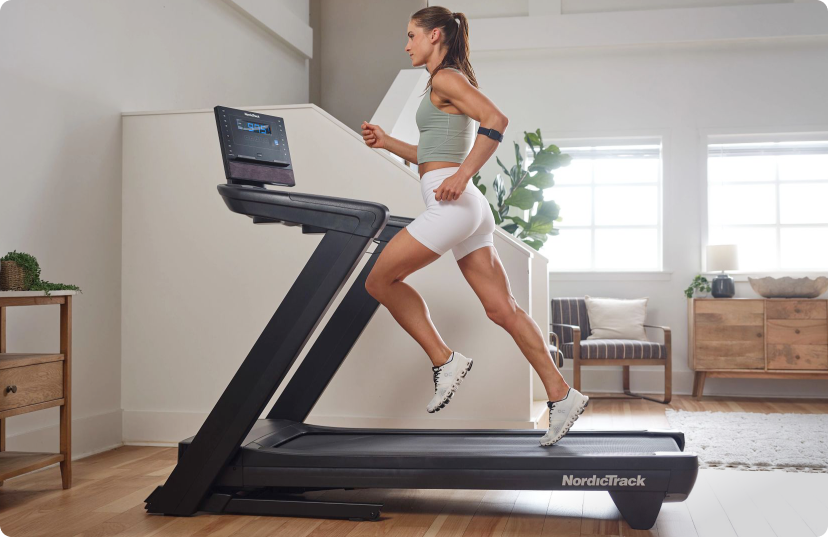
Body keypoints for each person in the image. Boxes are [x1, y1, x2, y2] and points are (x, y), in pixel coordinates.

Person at [361, 6, 588, 446]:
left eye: (411, 35)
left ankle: (444, 360)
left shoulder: (447, 78)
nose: (406, 44)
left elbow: (496, 120)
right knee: (503, 309)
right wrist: (388, 142)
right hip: (468, 208)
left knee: (379, 280)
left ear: (436, 35)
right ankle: (561, 395)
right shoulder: (441, 83)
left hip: (457, 202)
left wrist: (463, 175)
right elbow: (434, 154)